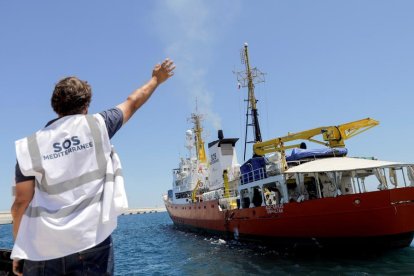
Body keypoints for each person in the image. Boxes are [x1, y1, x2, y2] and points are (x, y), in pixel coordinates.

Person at [11, 58, 175, 275]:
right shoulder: (99, 125)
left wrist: (20, 250)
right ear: (86, 106)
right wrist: (156, 79)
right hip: (91, 244)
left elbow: (20, 203)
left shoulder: (28, 147)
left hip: (41, 251)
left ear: (55, 107)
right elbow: (133, 102)